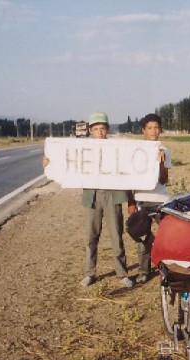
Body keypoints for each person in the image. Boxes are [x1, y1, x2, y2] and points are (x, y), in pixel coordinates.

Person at [43, 112, 134, 288]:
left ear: (107, 129)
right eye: (96, 129)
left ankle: (122, 273)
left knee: (116, 235)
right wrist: (50, 164)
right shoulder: (82, 150)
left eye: (103, 129)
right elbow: (65, 162)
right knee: (91, 236)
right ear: (91, 131)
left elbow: (130, 167)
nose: (100, 132)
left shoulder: (117, 148)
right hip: (91, 196)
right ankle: (89, 272)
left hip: (113, 195)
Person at [130, 113, 172, 284]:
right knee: (143, 237)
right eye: (150, 128)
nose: (154, 131)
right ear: (143, 130)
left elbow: (164, 180)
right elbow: (127, 178)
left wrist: (161, 162)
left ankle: (166, 268)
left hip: (160, 199)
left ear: (160, 130)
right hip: (141, 198)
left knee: (166, 235)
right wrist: (131, 202)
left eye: (156, 128)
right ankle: (143, 270)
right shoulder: (135, 150)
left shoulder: (165, 150)